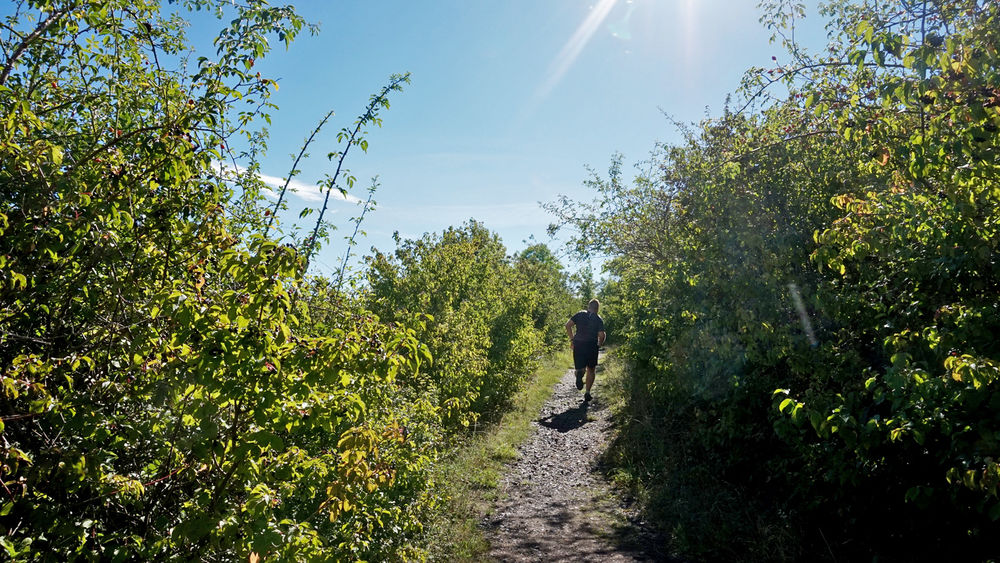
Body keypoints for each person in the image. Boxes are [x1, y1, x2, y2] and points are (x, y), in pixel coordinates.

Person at [565, 298, 606, 402]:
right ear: (597, 309)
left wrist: (572, 339)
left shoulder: (580, 314)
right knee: (591, 369)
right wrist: (599, 344)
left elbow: (568, 325)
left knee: (580, 368)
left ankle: (579, 374)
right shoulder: (598, 319)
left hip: (578, 344)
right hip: (591, 345)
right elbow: (601, 335)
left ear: (589, 306)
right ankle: (587, 392)